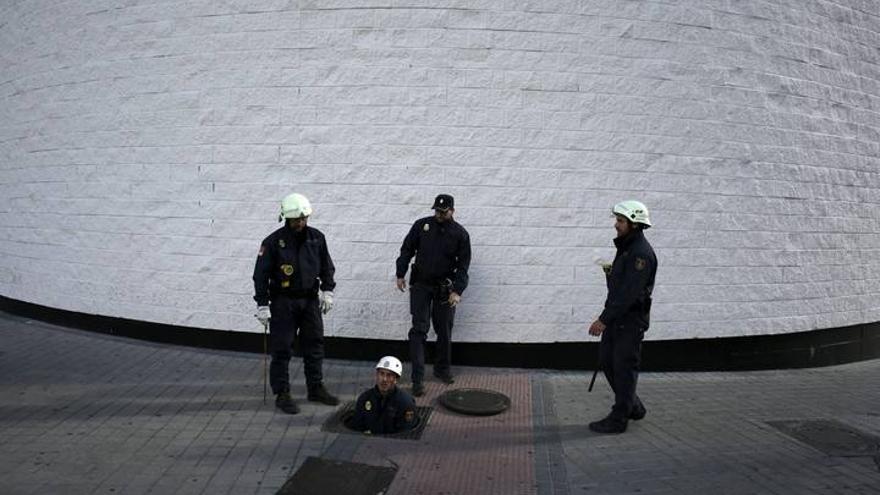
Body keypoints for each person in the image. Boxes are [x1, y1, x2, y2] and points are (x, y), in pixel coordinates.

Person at [253, 192, 339, 414]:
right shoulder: (272, 242)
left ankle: (315, 388)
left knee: (315, 346)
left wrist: (328, 291)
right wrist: (262, 304)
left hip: (310, 301)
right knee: (282, 349)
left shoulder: (317, 238)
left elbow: (327, 267)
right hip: (283, 302)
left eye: (303, 218)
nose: (300, 222)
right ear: (286, 218)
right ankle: (282, 393)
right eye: (295, 219)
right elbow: (260, 275)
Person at [587, 200, 657, 434]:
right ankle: (633, 407)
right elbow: (622, 286)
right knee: (607, 362)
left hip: (629, 322)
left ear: (634, 224)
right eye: (617, 220)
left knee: (624, 369)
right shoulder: (627, 247)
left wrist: (603, 319)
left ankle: (619, 419)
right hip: (618, 320)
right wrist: (611, 273)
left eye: (620, 221)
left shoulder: (640, 254)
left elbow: (629, 294)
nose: (616, 225)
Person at [395, 194, 471, 397]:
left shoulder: (460, 234)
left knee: (444, 329)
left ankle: (442, 369)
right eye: (437, 211)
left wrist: (457, 290)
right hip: (420, 285)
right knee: (419, 330)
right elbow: (407, 249)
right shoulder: (422, 226)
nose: (439, 214)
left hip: (444, 289)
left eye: (443, 212)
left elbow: (463, 267)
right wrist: (400, 273)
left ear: (452, 211)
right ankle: (417, 379)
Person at [349, 356, 417, 435]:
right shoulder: (365, 398)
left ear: (396, 379)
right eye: (381, 374)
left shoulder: (405, 402)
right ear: (377, 375)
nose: (384, 379)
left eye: (389, 375)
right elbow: (357, 426)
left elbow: (405, 432)